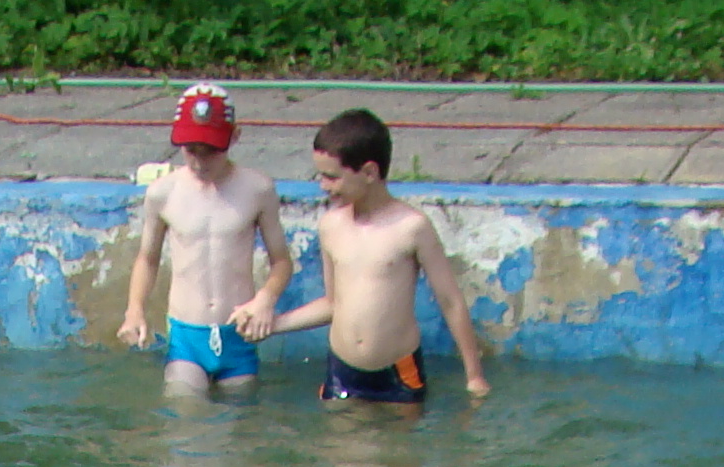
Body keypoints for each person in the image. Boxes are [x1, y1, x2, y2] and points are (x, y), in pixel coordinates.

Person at [269, 109, 490, 404]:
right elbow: (333, 304)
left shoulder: (411, 227)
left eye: (332, 177)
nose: (323, 186)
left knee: (399, 435)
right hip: (342, 371)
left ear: (370, 172)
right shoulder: (331, 226)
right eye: (320, 176)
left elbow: (450, 301)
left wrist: (474, 376)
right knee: (340, 433)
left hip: (398, 372)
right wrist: (274, 324)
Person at [116, 84, 294, 397]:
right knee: (183, 410)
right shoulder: (163, 193)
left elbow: (281, 261)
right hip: (187, 335)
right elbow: (147, 258)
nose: (200, 161)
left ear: (235, 136)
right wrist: (135, 310)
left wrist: (265, 300)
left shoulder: (257, 190)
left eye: (211, 150)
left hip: (238, 332)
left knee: (241, 416)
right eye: (191, 151)